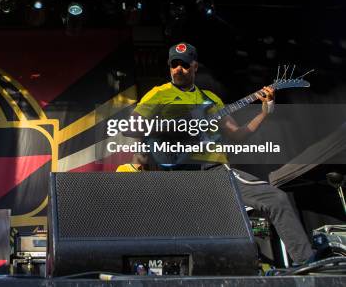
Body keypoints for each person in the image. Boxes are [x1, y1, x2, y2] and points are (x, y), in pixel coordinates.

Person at [125, 42, 315, 265]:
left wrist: (265, 112)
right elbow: (132, 128)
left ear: (195, 67)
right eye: (174, 64)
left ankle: (306, 263)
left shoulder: (210, 99)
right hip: (182, 174)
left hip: (216, 171)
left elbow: (237, 135)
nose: (178, 69)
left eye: (184, 65)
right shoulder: (159, 94)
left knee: (276, 198)